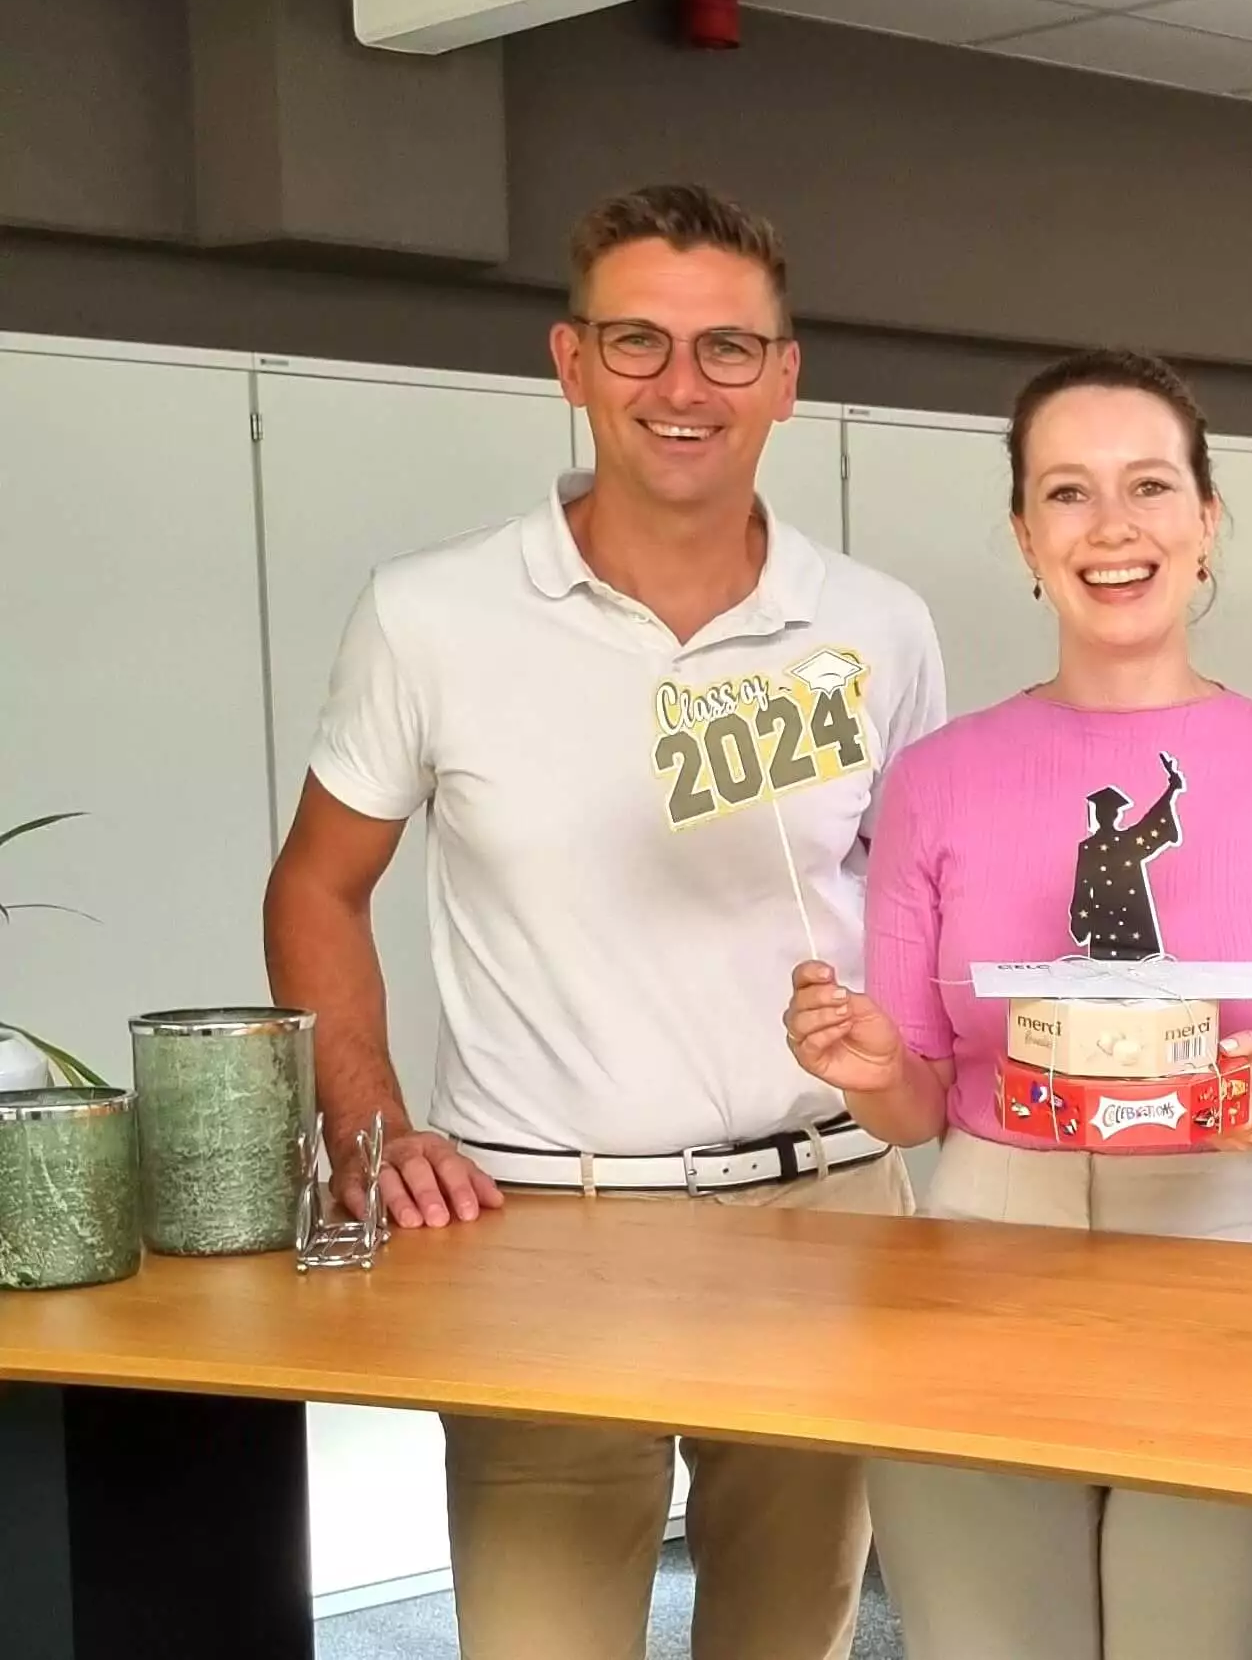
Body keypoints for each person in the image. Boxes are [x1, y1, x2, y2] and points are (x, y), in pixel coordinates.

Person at [263, 184, 944, 1660]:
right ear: (570, 363)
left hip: (821, 1211)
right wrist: (369, 1122)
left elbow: (919, 898)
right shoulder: (431, 612)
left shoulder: (873, 627)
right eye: (637, 343)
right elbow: (316, 880)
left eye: (724, 349)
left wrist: (895, 1050)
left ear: (785, 375)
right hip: (537, 1223)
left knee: (791, 1639)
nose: (680, 386)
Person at [779, 346, 1252, 1660]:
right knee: (989, 1643)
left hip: (1226, 1244)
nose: (1111, 527)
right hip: (983, 1243)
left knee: (1202, 1641)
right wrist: (861, 1057)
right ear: (1023, 533)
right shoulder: (940, 779)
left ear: (1204, 518)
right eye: (1067, 492)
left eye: (1148, 486)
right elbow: (907, 1101)